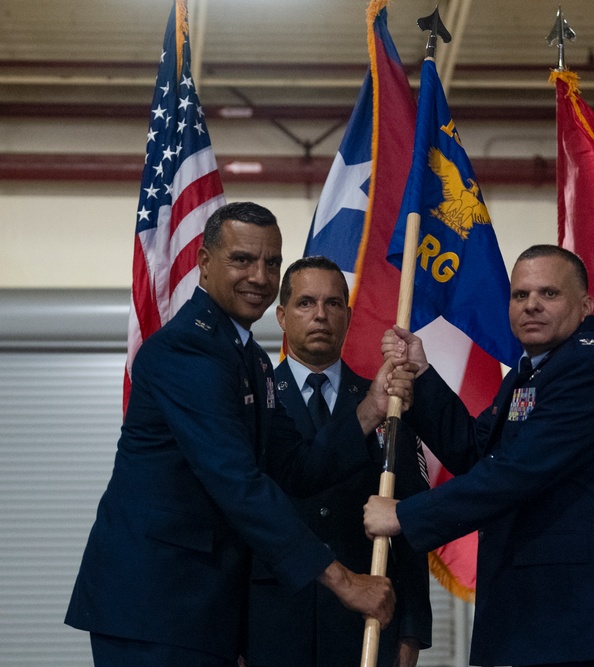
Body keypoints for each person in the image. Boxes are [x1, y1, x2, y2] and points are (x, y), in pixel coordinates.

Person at [65, 202, 410, 666]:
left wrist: (370, 407)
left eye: (271, 262)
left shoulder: (250, 358)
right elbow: (237, 483)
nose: (260, 276)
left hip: (201, 609)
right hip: (155, 605)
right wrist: (344, 581)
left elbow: (294, 466)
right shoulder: (189, 351)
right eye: (242, 259)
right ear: (205, 264)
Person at [365, 244, 594, 667]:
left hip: (580, 624)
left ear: (585, 305)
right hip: (544, 619)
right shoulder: (533, 373)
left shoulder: (585, 370)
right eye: (520, 295)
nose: (531, 306)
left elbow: (515, 473)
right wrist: (421, 374)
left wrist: (404, 516)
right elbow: (475, 450)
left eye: (549, 294)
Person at [245, 256, 431, 667]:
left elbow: (411, 520)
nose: (320, 315)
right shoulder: (253, 402)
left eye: (332, 304)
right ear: (281, 315)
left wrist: (412, 632)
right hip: (269, 623)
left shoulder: (389, 401)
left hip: (365, 626)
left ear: (348, 317)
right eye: (306, 303)